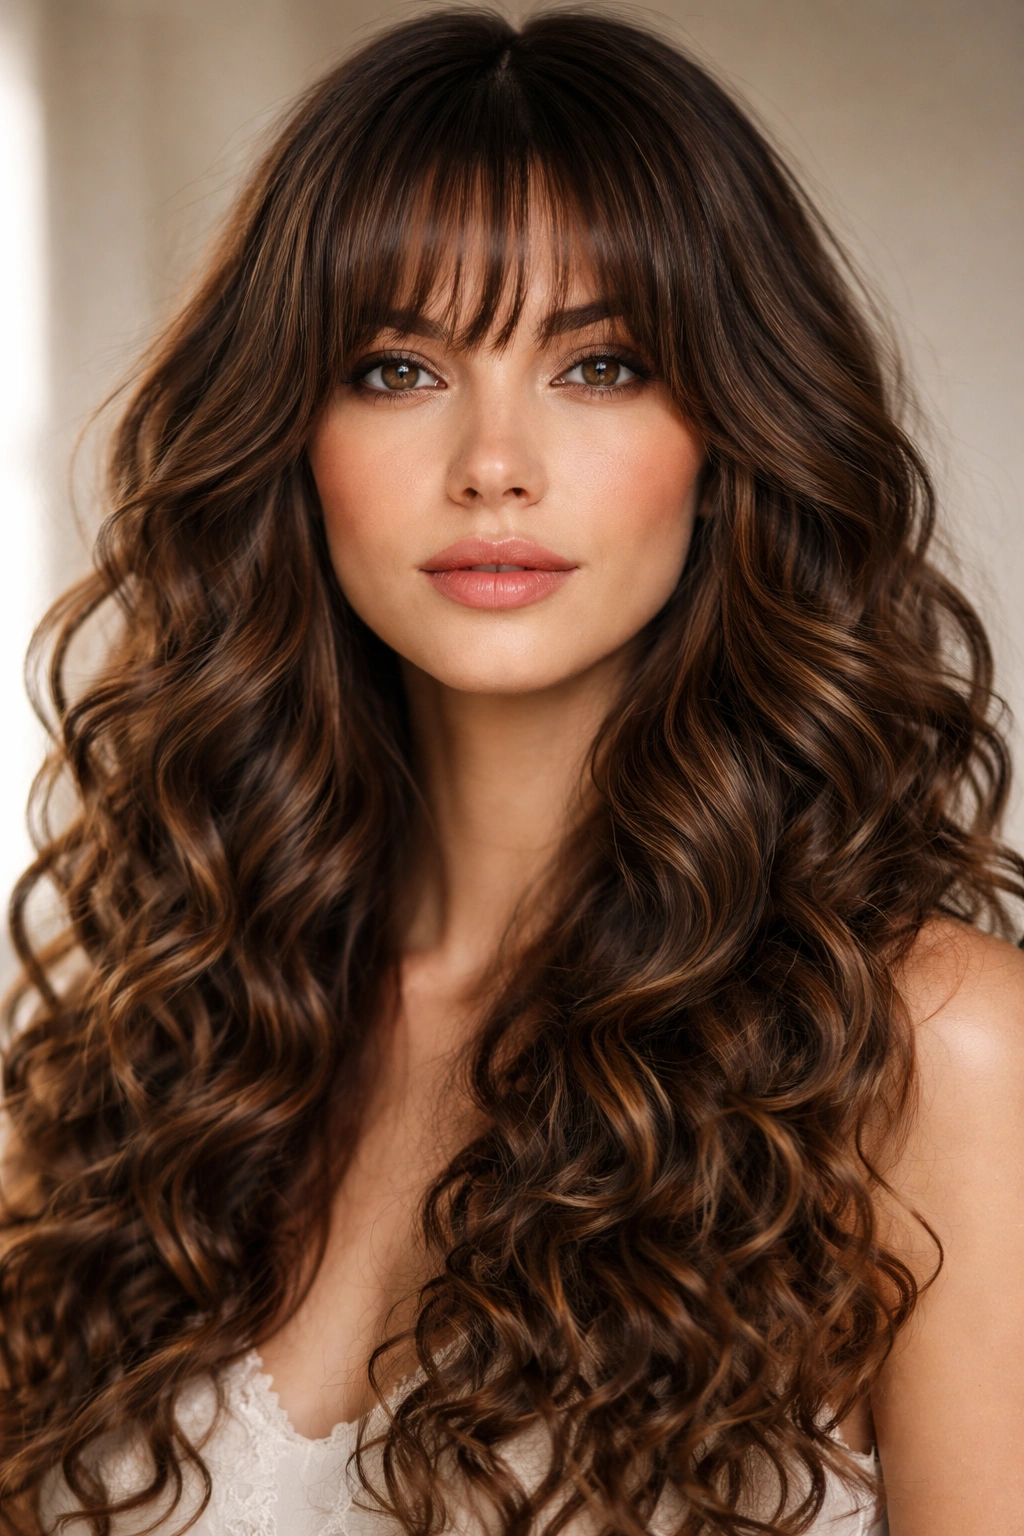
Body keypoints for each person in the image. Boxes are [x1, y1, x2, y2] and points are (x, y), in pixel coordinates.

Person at [1, 9, 1022, 1534]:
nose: (494, 462)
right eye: (396, 368)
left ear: (731, 438)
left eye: (601, 365)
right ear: (290, 440)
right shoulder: (159, 1037)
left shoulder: (936, 1056)